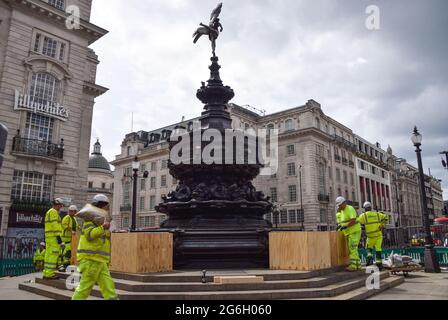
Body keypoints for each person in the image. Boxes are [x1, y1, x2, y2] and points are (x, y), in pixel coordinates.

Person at [72, 194, 118, 300]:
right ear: (99, 206)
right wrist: (103, 228)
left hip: (99, 260)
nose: (106, 209)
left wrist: (109, 231)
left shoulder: (100, 222)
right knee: (84, 288)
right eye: (105, 206)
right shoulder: (89, 221)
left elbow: (103, 239)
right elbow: (90, 235)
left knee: (108, 287)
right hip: (90, 260)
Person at [357, 202, 389, 270]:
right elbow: (386, 217)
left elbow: (358, 222)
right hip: (378, 235)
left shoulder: (363, 216)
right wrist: (382, 225)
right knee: (378, 250)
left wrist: (363, 227)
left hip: (370, 236)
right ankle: (379, 265)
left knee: (368, 248)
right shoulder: (377, 214)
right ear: (371, 208)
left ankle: (370, 259)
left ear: (364, 208)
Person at [335, 196, 362, 271]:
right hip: (349, 232)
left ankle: (353, 266)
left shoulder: (349, 208)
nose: (339, 207)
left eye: (340, 205)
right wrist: (340, 225)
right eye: (338, 205)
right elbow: (343, 221)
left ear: (344, 203)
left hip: (354, 231)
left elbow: (353, 220)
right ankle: (358, 265)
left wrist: (345, 226)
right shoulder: (342, 211)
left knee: (352, 247)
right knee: (353, 248)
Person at [43, 198, 65, 280]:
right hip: (54, 238)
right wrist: (59, 239)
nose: (61, 207)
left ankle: (46, 272)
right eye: (61, 205)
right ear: (58, 205)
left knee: (48, 255)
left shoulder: (49, 211)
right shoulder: (53, 212)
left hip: (49, 237)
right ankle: (49, 274)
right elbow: (55, 225)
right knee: (53, 255)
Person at [60, 205, 79, 271]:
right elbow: (65, 226)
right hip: (66, 238)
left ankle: (67, 265)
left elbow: (76, 227)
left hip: (72, 239)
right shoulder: (67, 217)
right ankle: (63, 266)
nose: (75, 213)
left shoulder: (74, 219)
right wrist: (72, 231)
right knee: (67, 252)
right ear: (71, 211)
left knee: (70, 252)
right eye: (74, 211)